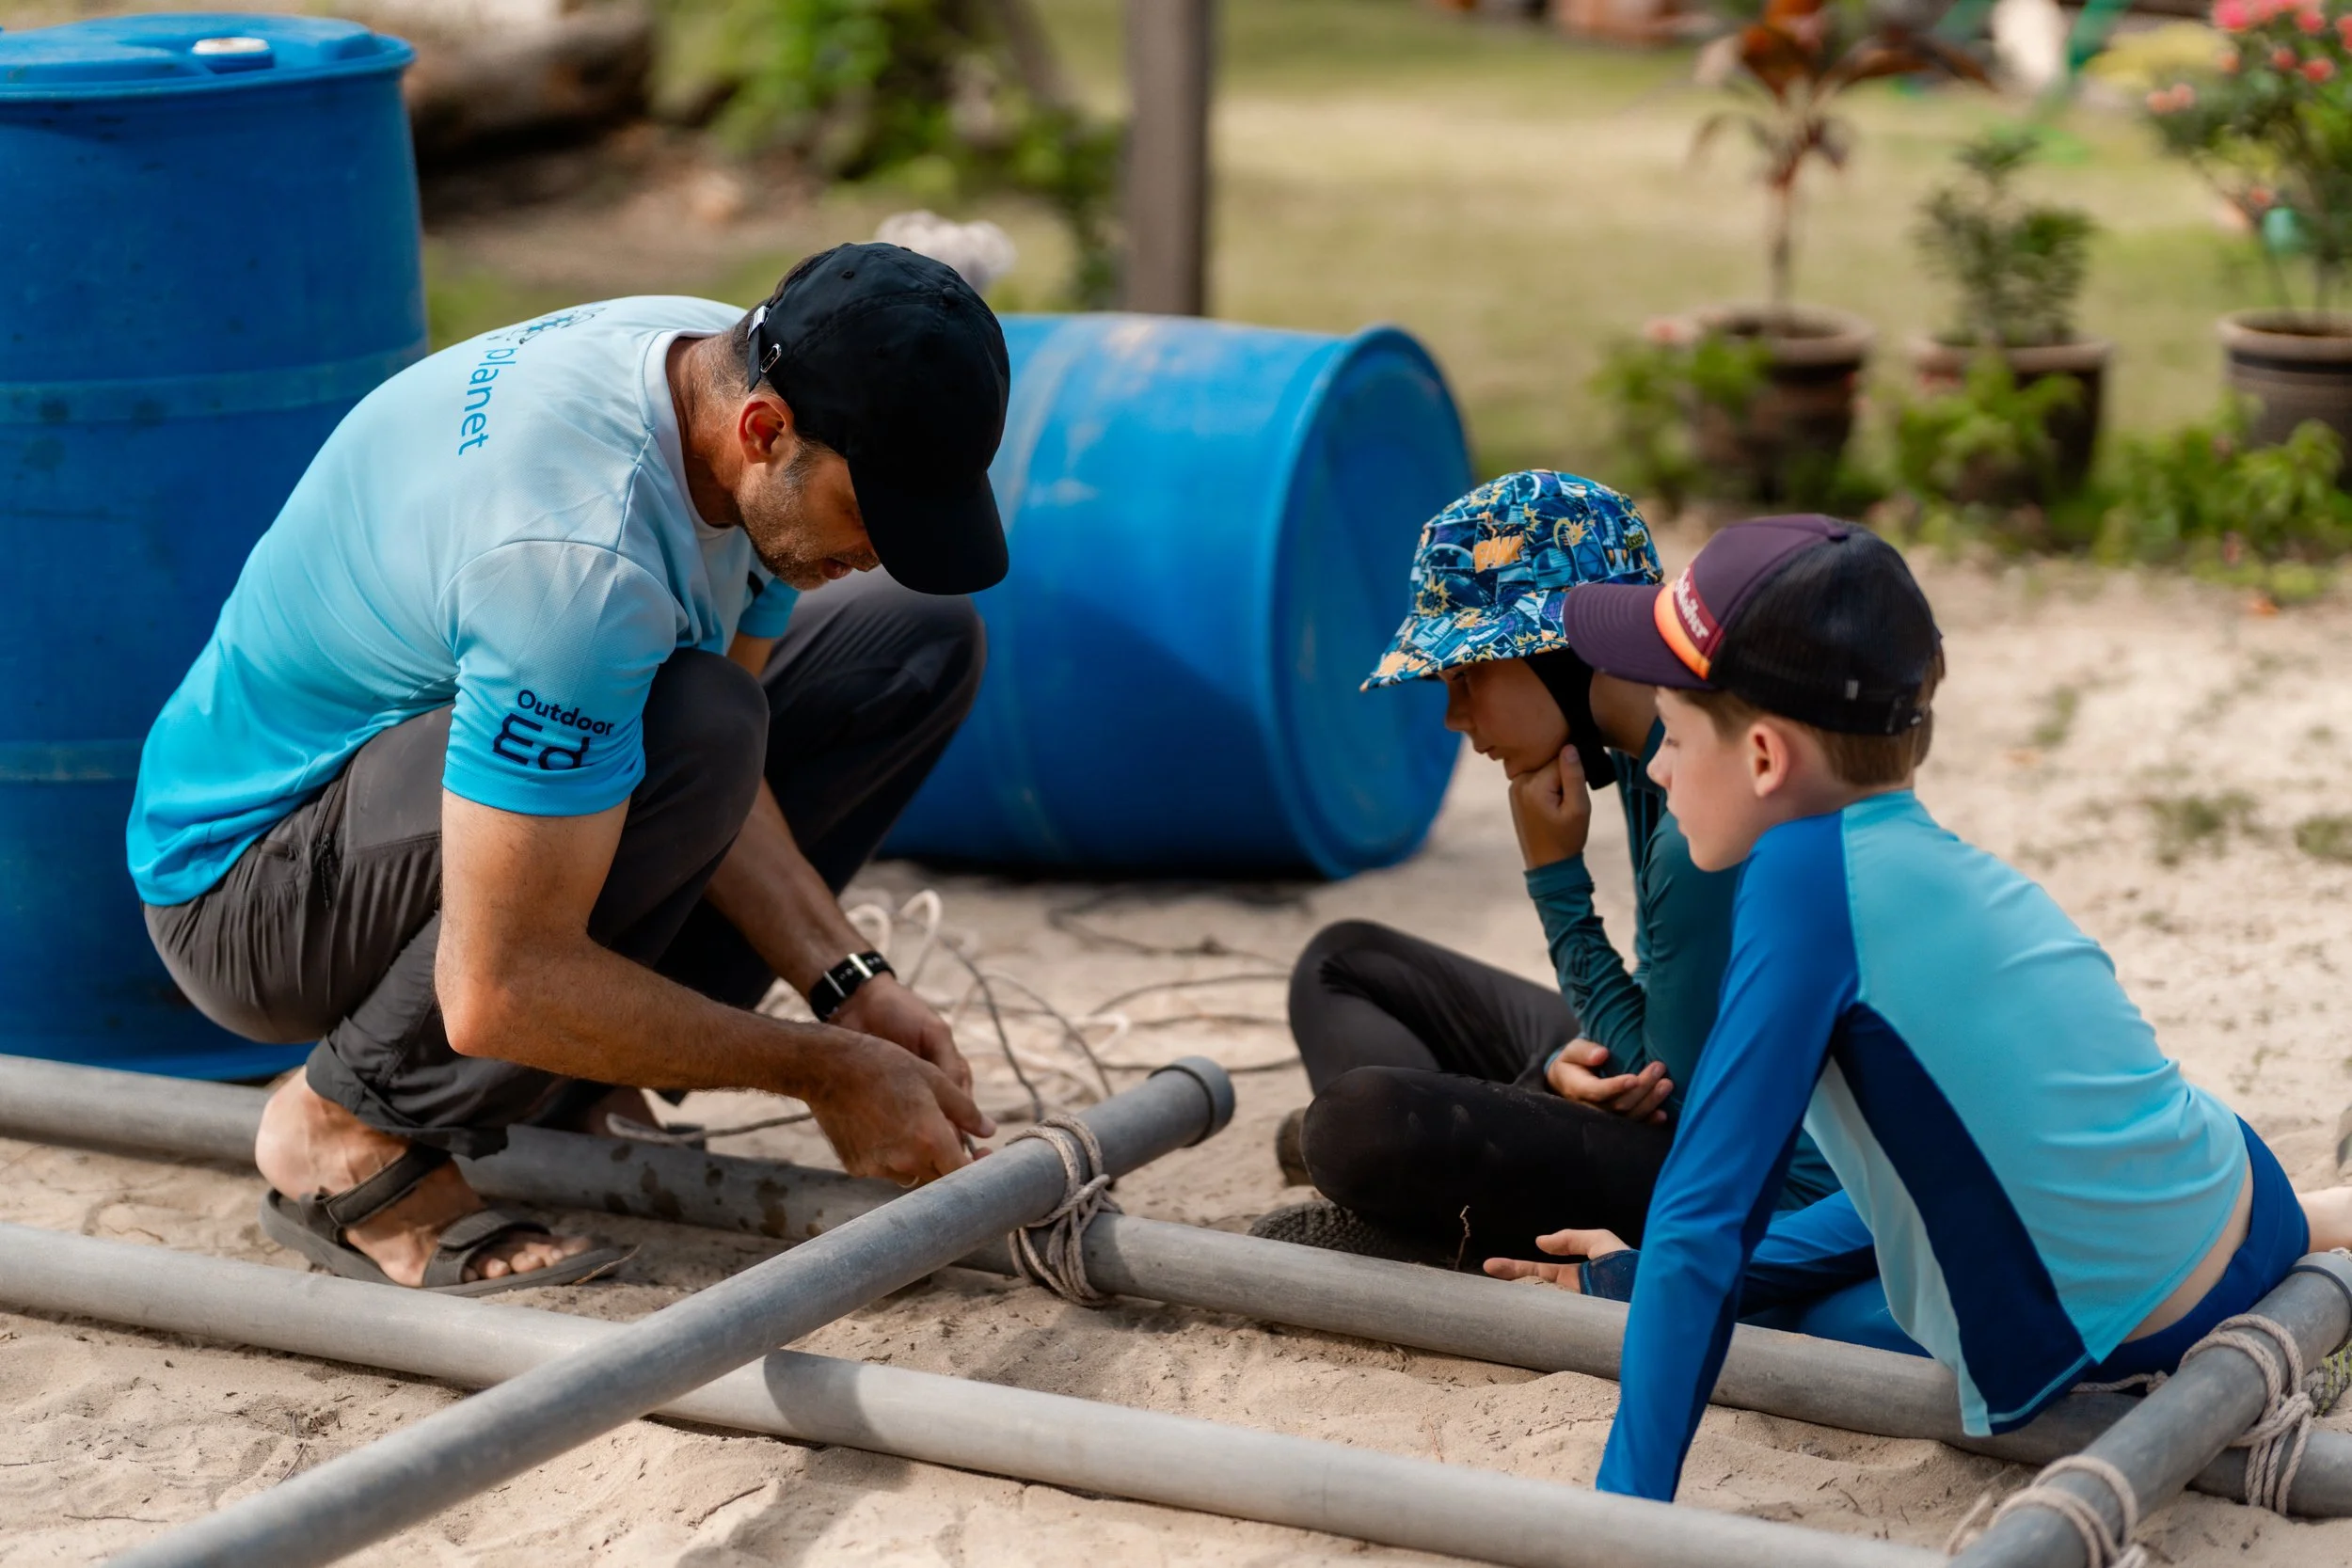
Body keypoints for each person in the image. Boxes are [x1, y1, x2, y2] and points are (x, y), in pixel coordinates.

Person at [128, 243, 1008, 1294]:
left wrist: (847, 986)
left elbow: (735, 786)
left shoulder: (726, 369)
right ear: (765, 433)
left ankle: (564, 1081)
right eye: (871, 516)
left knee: (910, 641)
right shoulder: (576, 569)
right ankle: (347, 1121)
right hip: (247, 888)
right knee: (693, 721)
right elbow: (497, 986)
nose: (874, 551)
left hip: (436, 789)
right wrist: (829, 1072)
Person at [1504, 513, 2352, 1501]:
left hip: (2138, 1325)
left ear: (1766, 758)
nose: (1652, 768)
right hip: (2229, 1196)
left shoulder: (1799, 880)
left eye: (1677, 737)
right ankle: (2326, 1214)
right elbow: (1886, 1203)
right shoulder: (1905, 856)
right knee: (1840, 1281)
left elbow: (1705, 1224)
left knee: (1800, 1319)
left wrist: (1620, 1518)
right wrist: (1632, 1275)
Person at [1252, 471, 1836, 1268]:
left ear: (1562, 649)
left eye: (1467, 677)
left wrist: (1555, 877)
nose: (1457, 719)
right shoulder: (1655, 737)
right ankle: (1437, 1162)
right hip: (1694, 1080)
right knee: (1344, 962)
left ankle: (1423, 1207)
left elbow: (1667, 1089)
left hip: (1762, 1182)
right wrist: (1561, 1072)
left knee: (1357, 1119)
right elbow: (1677, 1018)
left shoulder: (1704, 809)